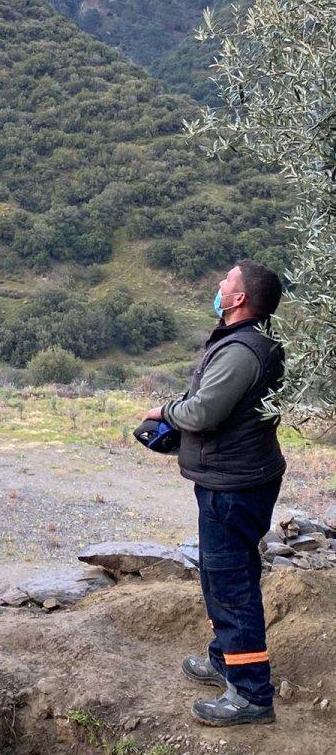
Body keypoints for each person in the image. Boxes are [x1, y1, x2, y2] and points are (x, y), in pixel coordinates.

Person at [141, 259, 285, 728]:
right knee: (226, 575)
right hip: (237, 477)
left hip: (233, 485)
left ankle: (251, 696)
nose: (219, 285)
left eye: (227, 281)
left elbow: (203, 412)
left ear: (240, 298)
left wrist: (165, 411)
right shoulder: (242, 345)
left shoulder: (242, 351)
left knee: (231, 585)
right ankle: (227, 660)